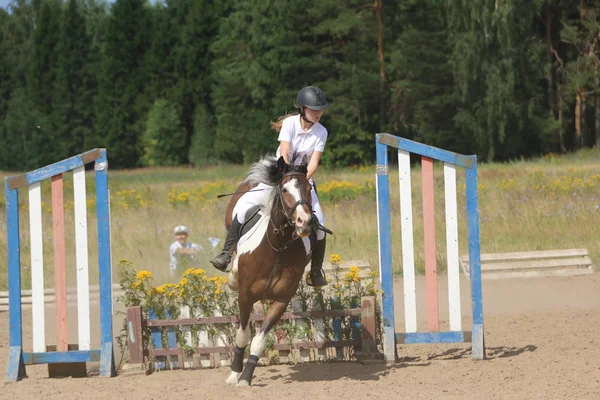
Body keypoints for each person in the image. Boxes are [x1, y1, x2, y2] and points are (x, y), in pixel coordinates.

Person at [210, 86, 329, 287]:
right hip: (279, 173)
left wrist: (301, 180)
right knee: (244, 205)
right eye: (313, 109)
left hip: (302, 178)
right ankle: (226, 253)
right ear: (302, 109)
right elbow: (284, 154)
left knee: (320, 224)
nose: (318, 113)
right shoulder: (290, 124)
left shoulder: (322, 131)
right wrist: (287, 179)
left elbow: (314, 162)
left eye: (320, 110)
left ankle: (316, 271)